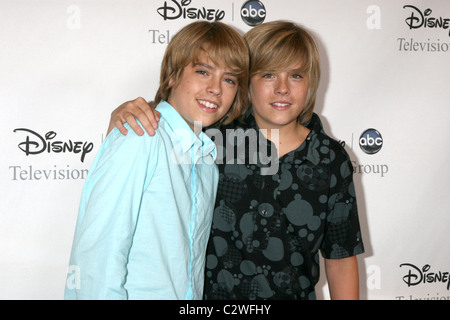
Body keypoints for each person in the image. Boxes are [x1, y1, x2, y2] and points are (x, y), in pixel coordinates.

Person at [108, 21, 365, 300]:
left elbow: (340, 257)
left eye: (296, 76)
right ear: (246, 82)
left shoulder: (331, 159)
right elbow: (163, 133)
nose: (282, 88)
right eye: (268, 74)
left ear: (310, 83)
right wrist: (124, 116)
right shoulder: (211, 139)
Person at [64, 21, 249, 300]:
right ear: (172, 75)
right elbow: (97, 256)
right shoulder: (141, 136)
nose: (216, 89)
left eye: (229, 79)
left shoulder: (206, 161)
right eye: (203, 71)